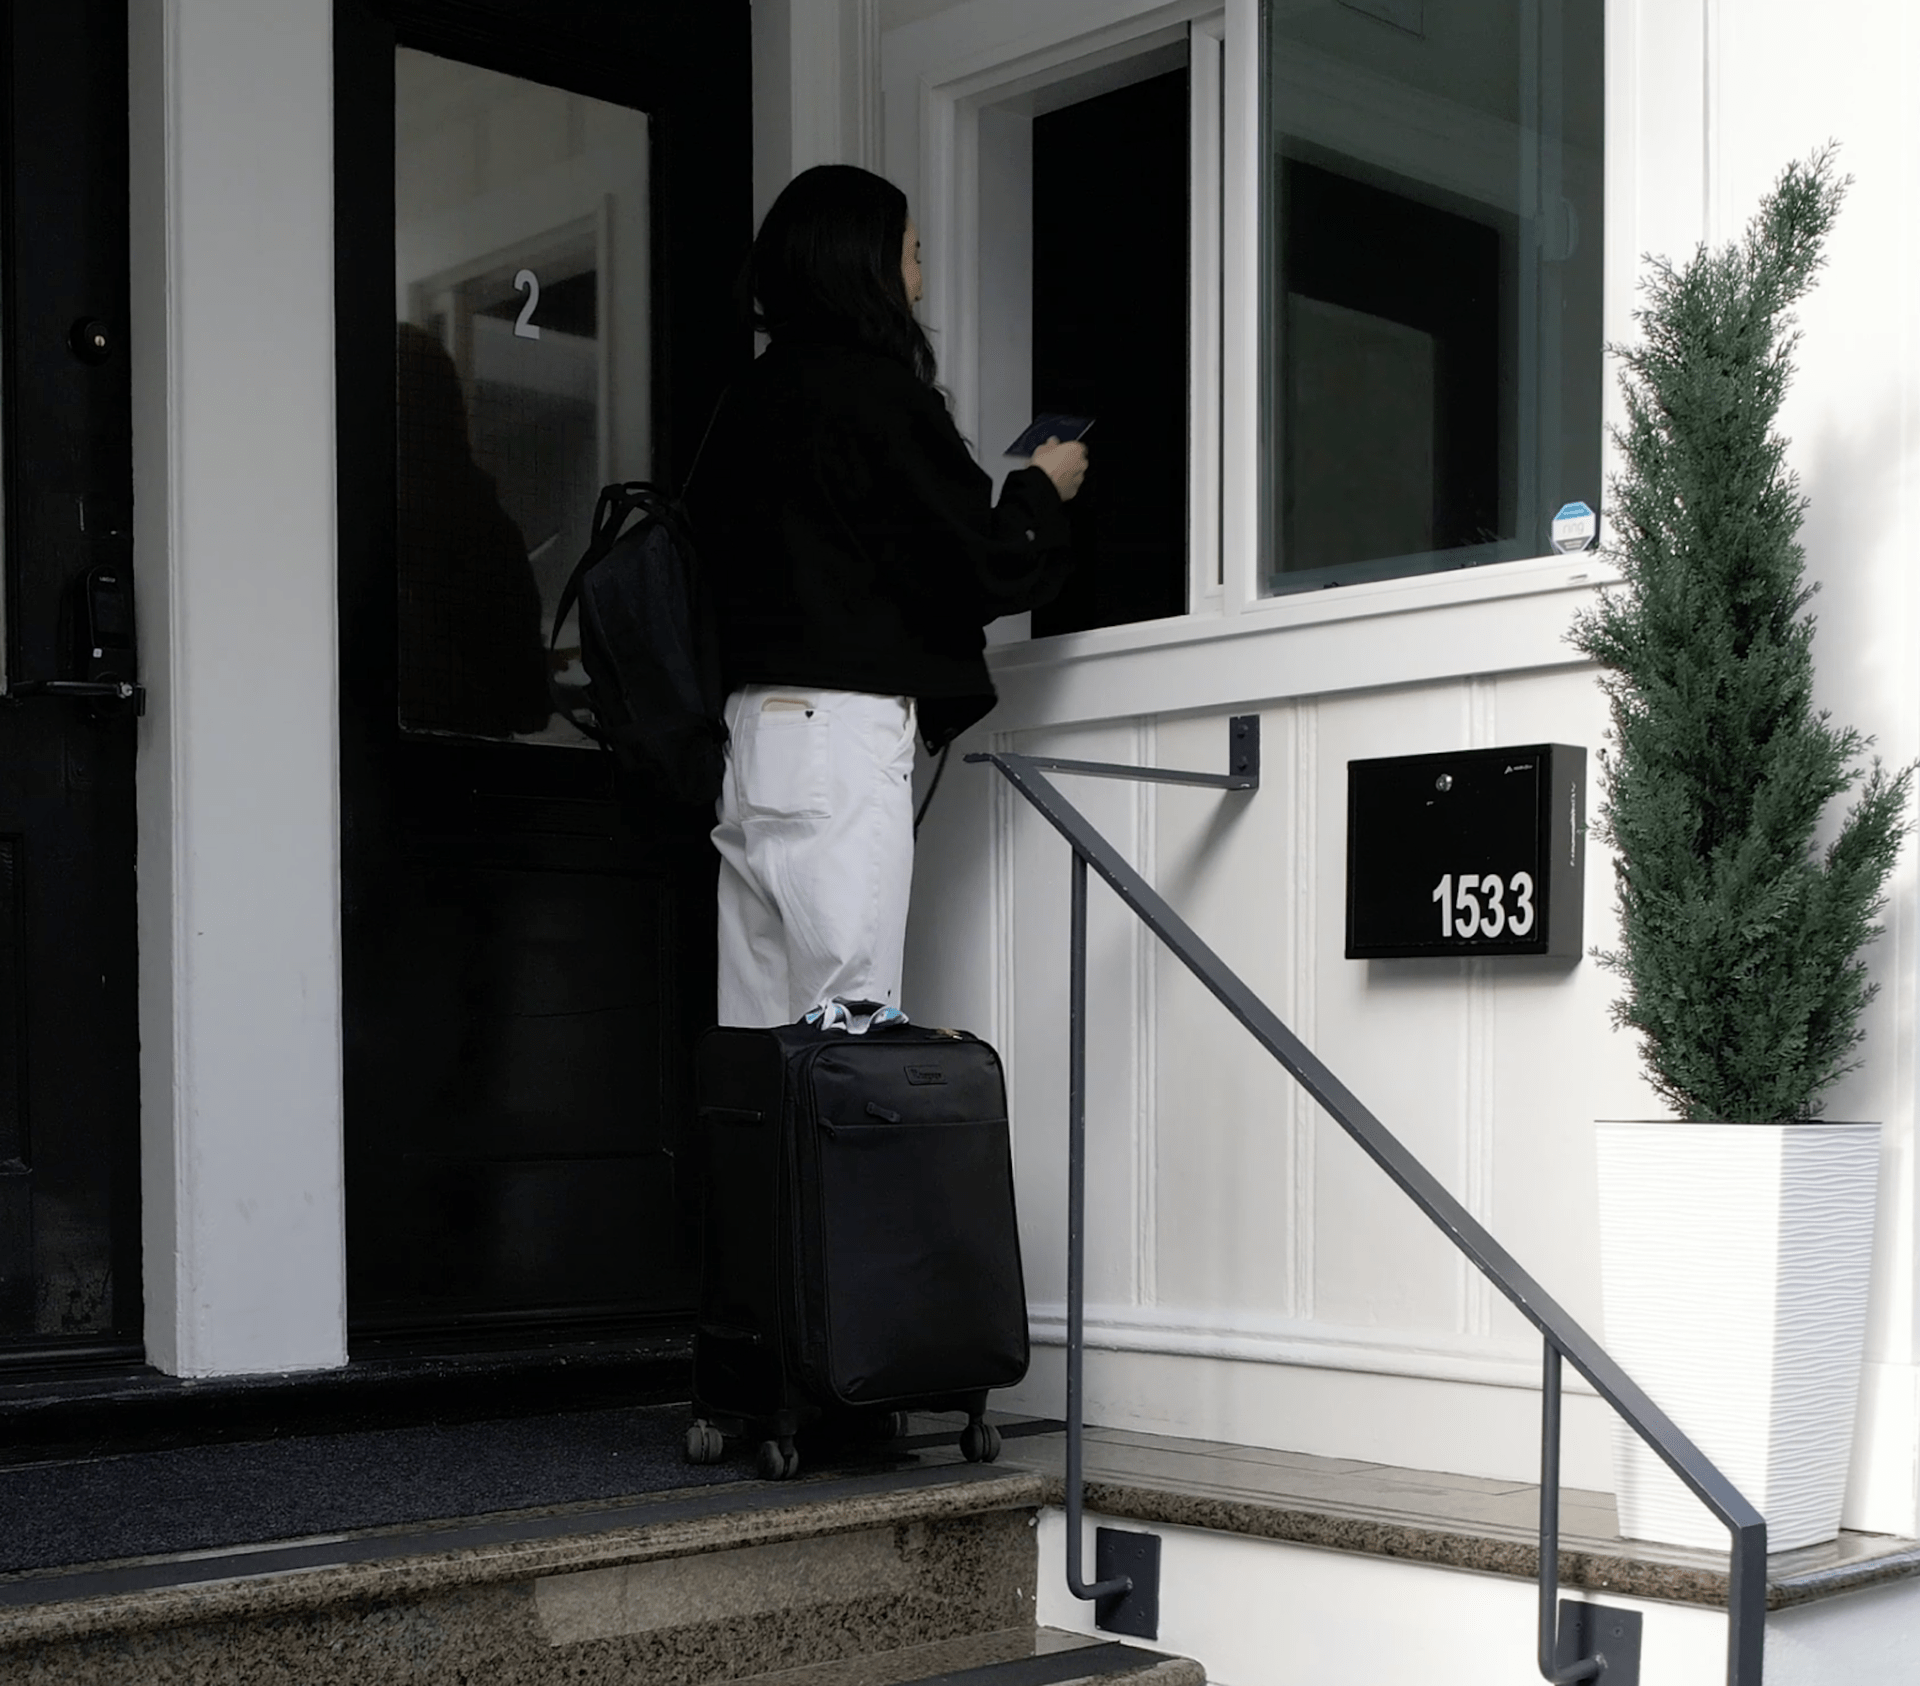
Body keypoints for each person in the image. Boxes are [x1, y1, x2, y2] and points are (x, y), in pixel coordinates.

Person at [691, 164, 1087, 1027]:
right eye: (911, 254)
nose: (919, 281)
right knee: (851, 1022)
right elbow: (977, 564)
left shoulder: (745, 400)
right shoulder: (876, 395)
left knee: (763, 1037)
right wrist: (1040, 491)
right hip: (838, 734)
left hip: (749, 736)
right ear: (863, 265)